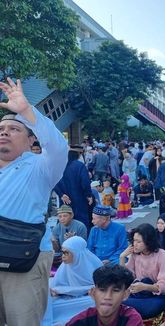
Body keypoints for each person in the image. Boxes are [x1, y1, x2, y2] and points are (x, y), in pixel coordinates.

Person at [0, 78, 68, 326]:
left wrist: (26, 111)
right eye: (0, 129)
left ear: (32, 141)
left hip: (24, 260)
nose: (4, 131)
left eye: (14, 128)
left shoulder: (40, 166)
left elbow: (59, 147)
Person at [119, 223, 165, 319]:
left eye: (139, 242)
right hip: (138, 294)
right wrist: (122, 257)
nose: (135, 244)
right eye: (134, 240)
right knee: (117, 300)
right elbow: (126, 278)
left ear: (148, 242)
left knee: (149, 308)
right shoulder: (135, 254)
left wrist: (145, 287)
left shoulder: (162, 255)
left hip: (155, 296)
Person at [66, 264, 143, 326]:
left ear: (125, 295)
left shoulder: (131, 318)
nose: (107, 297)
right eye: (102, 290)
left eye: (115, 291)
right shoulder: (81, 320)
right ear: (93, 293)